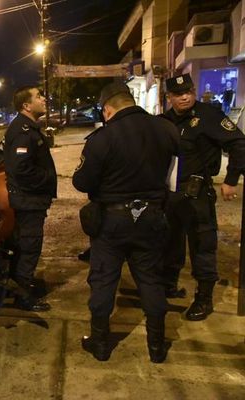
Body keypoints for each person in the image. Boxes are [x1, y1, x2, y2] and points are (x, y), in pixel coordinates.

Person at [73, 82, 179, 363]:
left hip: (112, 221)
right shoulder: (166, 129)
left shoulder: (102, 139)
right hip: (152, 217)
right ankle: (157, 347)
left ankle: (100, 344)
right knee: (151, 279)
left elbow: (82, 182)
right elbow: (176, 174)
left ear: (107, 109)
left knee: (104, 280)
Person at [162, 73, 245, 321]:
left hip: (197, 194)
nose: (185, 96)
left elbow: (239, 144)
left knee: (202, 246)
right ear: (169, 98)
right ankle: (169, 286)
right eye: (178, 94)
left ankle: (204, 298)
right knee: (169, 243)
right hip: (169, 195)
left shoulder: (208, 115)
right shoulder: (164, 121)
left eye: (188, 91)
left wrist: (231, 180)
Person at [3, 86, 57, 311]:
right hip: (28, 200)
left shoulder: (28, 128)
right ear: (26, 105)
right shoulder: (23, 131)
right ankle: (24, 295)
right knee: (29, 246)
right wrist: (47, 179)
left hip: (30, 199)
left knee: (25, 245)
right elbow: (21, 169)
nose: (44, 99)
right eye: (39, 96)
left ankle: (21, 284)